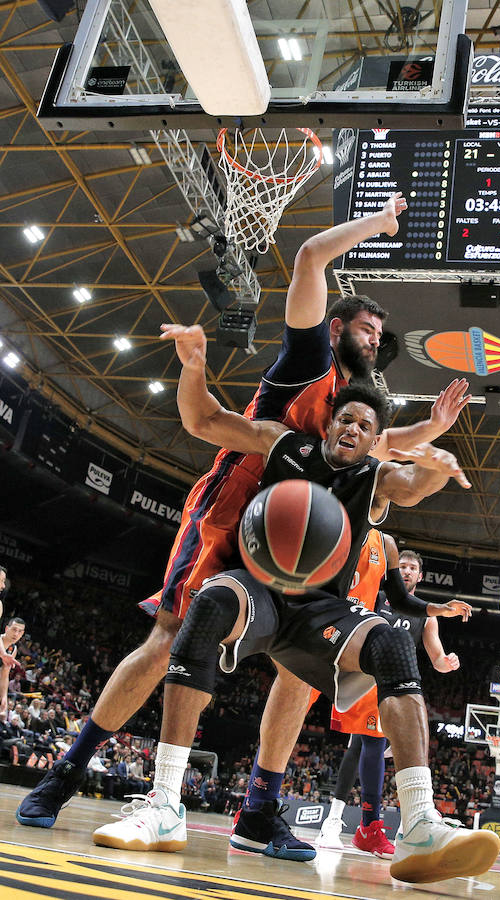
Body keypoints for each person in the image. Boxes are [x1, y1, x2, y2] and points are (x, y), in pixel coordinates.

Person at [16, 193, 469, 838]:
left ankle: (259, 807)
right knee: (169, 640)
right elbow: (311, 257)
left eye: (377, 335)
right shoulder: (312, 360)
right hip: (236, 512)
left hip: (305, 539)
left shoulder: (355, 408)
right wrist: (382, 222)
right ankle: (68, 770)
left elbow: (384, 450)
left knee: (299, 669)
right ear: (337, 329)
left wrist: (436, 430)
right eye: (366, 329)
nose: (376, 340)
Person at [91, 375, 500, 884]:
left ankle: (419, 824)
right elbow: (206, 421)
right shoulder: (286, 445)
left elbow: (412, 486)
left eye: (365, 426)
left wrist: (436, 467)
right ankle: (165, 804)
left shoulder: (373, 477)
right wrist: (192, 368)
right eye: (345, 418)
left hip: (319, 612)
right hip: (259, 590)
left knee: (394, 642)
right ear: (329, 424)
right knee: (210, 601)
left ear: (375, 441)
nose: (352, 428)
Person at [318, 544, 464, 857]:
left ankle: (385, 823)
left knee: (374, 748)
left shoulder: (426, 617)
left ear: (420, 576)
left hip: (398, 687)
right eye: (404, 566)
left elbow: (436, 657)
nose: (408, 570)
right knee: (363, 744)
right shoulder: (379, 596)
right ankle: (343, 822)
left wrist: (447, 662)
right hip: (366, 678)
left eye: (413, 567)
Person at [1, 617, 25, 715]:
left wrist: (3, 698)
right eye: (14, 629)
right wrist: (3, 654)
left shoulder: (13, 649)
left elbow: (4, 676)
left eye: (19, 631)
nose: (16, 634)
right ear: (7, 629)